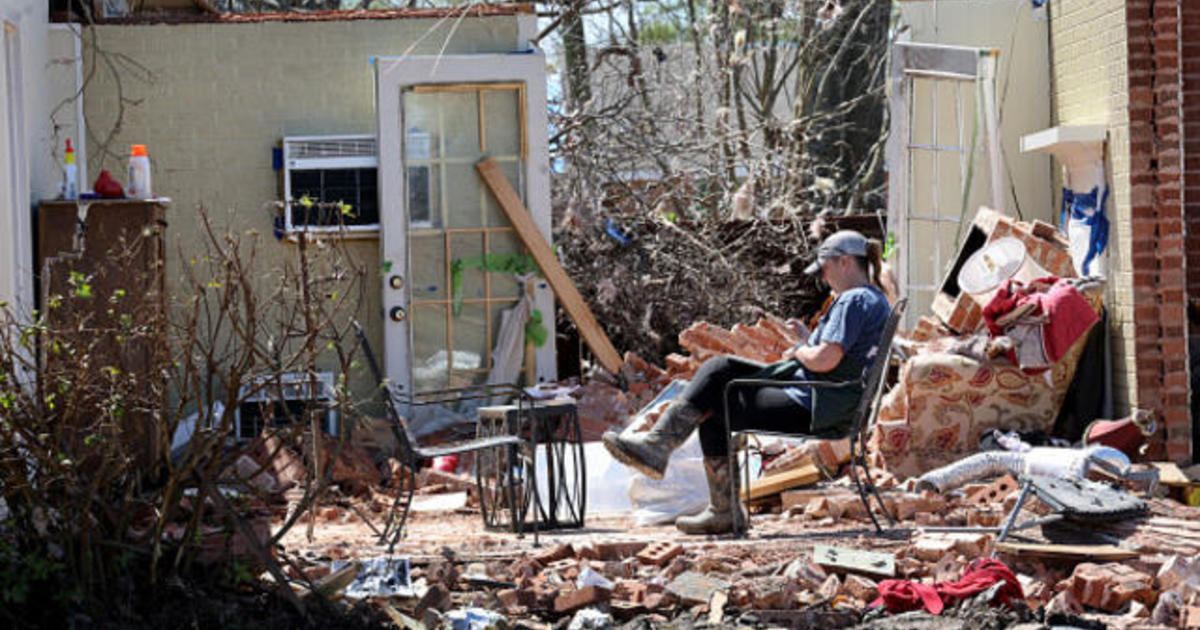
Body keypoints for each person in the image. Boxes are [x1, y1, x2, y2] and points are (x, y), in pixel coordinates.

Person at [601, 230, 893, 534]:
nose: (822, 276)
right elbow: (840, 355)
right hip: (831, 401)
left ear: (844, 262)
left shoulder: (853, 300)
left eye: (824, 268)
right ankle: (674, 462)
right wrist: (806, 340)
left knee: (715, 387)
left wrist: (797, 350)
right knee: (719, 373)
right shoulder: (873, 299)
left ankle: (671, 459)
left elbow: (824, 361)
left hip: (816, 404)